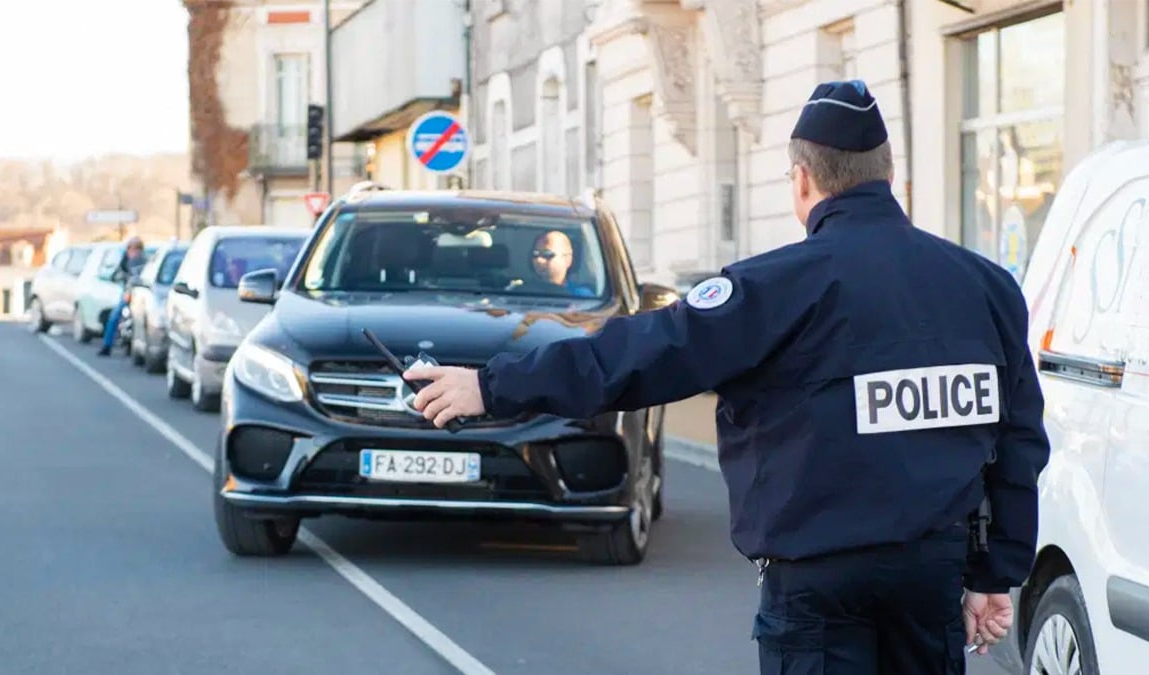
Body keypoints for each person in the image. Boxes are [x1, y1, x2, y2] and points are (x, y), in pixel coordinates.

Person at [403, 79, 1050, 674]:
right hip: (930, 580)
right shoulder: (988, 288)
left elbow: (644, 351)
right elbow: (1019, 441)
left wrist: (493, 385)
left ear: (802, 181)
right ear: (888, 175)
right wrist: (996, 573)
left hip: (816, 585)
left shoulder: (776, 286)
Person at [98, 236, 146, 356]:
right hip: (127, 294)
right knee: (114, 317)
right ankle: (107, 345)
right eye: (132, 249)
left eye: (137, 249)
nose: (134, 252)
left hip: (140, 294)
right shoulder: (125, 262)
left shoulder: (145, 262)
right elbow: (117, 274)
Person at [529, 230, 594, 297]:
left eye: (547, 254)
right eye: (535, 255)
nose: (538, 260)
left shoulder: (581, 296)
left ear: (567, 259)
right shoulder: (524, 292)